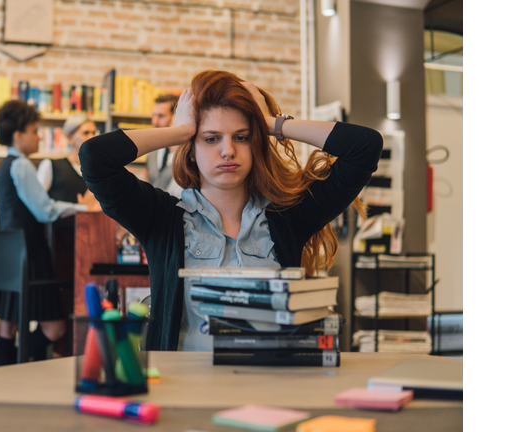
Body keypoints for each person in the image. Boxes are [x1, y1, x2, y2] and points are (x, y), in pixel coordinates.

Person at [80, 70, 383, 352]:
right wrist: (180, 131)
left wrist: (270, 124)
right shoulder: (161, 217)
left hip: (269, 391)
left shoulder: (290, 216)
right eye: (211, 139)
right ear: (192, 148)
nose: (228, 150)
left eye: (241, 137)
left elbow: (365, 147)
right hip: (184, 391)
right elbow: (95, 158)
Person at [0, 100, 90, 365]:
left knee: (7, 328)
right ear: (19, 135)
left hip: (7, 251)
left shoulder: (5, 165)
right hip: (28, 254)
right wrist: (84, 206)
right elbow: (45, 210)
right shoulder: (22, 165)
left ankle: (1, 381)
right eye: (34, 130)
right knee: (56, 328)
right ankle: (19, 367)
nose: (39, 136)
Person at [36, 114, 97, 204]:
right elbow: (38, 203)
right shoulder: (50, 165)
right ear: (70, 138)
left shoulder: (97, 171)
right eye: (86, 133)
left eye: (94, 133)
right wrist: (81, 208)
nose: (92, 137)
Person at [145, 94, 183, 197]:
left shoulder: (187, 154)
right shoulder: (151, 149)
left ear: (175, 118)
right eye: (154, 115)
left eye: (161, 116)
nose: (154, 121)